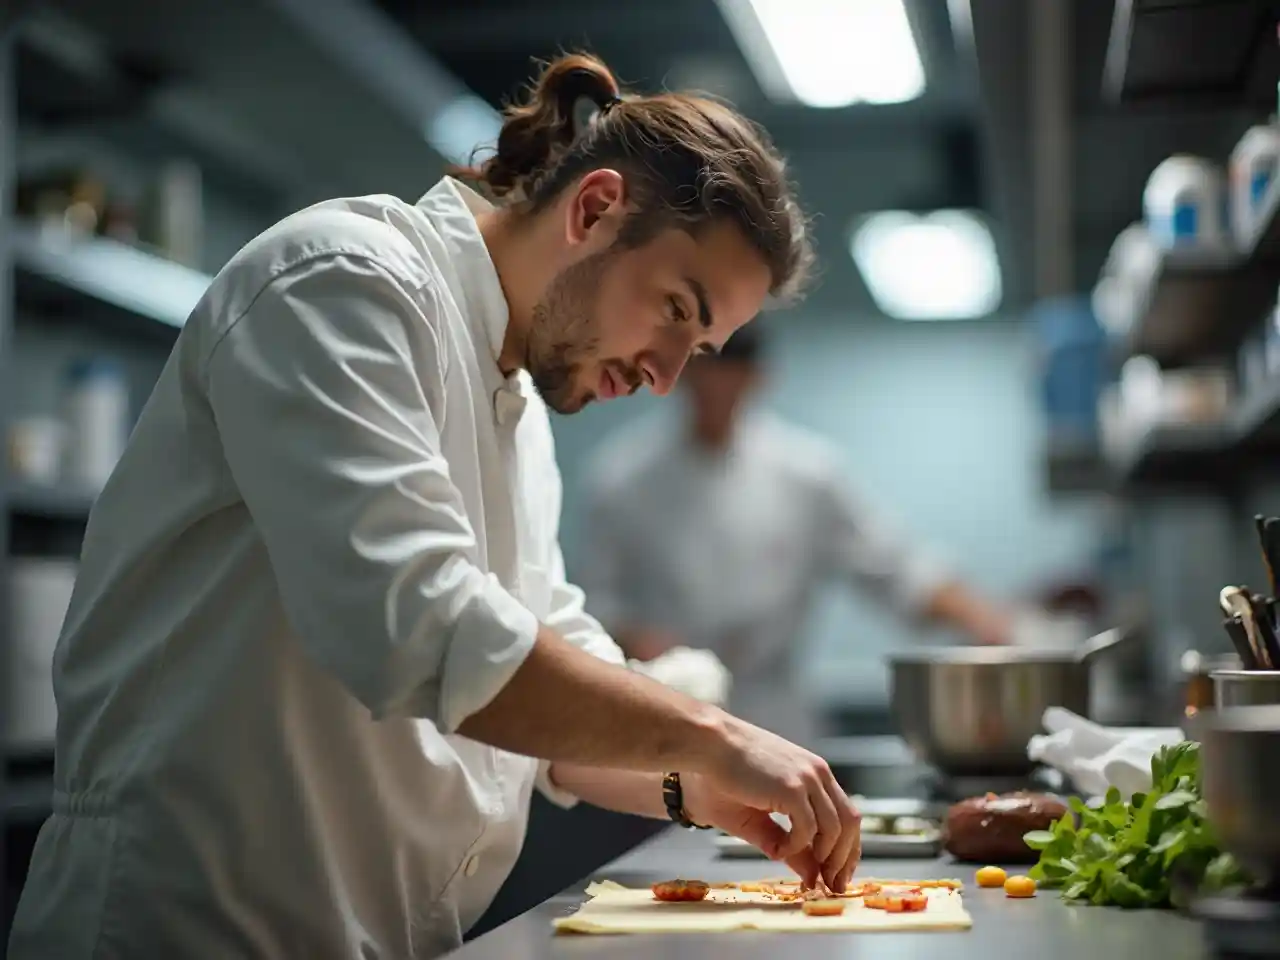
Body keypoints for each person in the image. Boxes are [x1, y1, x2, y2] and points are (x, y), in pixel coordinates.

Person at [7, 54, 861, 960]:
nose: (663, 377)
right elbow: (417, 627)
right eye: (674, 312)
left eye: (701, 347)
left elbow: (550, 689)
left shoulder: (518, 406)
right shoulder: (342, 283)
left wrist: (691, 779)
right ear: (594, 209)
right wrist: (711, 735)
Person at [579, 322, 1015, 748]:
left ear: (758, 377)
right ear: (682, 373)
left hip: (775, 716)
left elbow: (898, 568)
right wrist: (648, 646)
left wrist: (988, 622)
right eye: (704, 370)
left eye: (732, 374)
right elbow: (594, 601)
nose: (717, 388)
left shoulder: (806, 473)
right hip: (663, 706)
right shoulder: (623, 477)